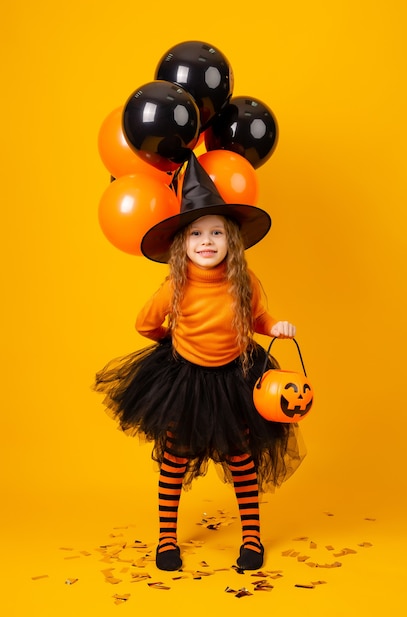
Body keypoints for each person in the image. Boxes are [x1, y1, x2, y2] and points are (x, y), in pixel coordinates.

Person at [94, 153, 305, 572]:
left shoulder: (244, 281)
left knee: (241, 456)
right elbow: (145, 323)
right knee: (175, 456)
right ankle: (167, 537)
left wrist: (274, 327)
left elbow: (257, 317)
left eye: (215, 233)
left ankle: (251, 536)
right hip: (186, 378)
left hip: (235, 376)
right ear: (182, 243)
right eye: (195, 234)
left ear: (232, 241)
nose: (206, 242)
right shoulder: (176, 283)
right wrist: (172, 341)